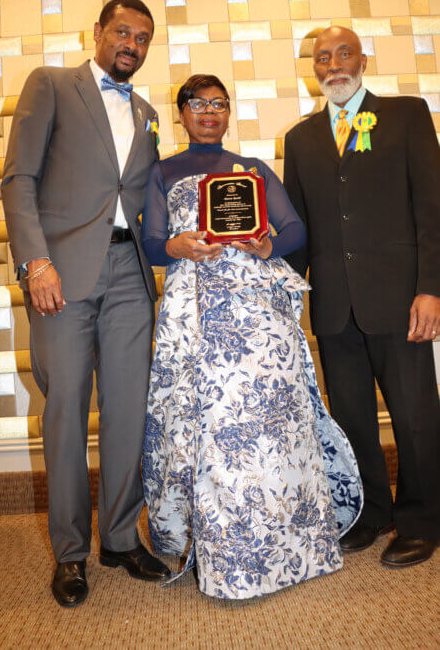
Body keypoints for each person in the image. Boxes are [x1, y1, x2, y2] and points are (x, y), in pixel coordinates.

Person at [141, 74, 362, 600]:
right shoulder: (162, 171)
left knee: (272, 422)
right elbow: (150, 244)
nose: (210, 112)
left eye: (220, 103)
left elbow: (295, 232)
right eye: (199, 104)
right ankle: (225, 557)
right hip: (195, 312)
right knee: (214, 429)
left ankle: (294, 544)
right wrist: (178, 245)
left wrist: (267, 247)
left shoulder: (252, 169)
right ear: (183, 113)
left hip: (259, 316)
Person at [1, 0, 170, 608]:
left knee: (128, 409)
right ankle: (70, 554)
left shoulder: (149, 112)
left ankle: (121, 538)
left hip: (130, 274)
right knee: (67, 409)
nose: (132, 43)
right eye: (122, 31)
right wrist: (35, 262)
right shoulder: (50, 84)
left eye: (143, 37)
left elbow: (153, 200)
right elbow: (18, 179)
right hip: (62, 273)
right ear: (97, 32)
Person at [284, 25, 439, 567]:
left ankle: (421, 520)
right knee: (350, 419)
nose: (332, 65)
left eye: (342, 53)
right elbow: (298, 229)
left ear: (363, 59)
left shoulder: (406, 115)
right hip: (333, 308)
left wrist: (431, 290)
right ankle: (372, 514)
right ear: (314, 69)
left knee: (416, 415)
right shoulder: (299, 139)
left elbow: (431, 209)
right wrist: (280, 296)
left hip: (400, 301)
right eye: (322, 58)